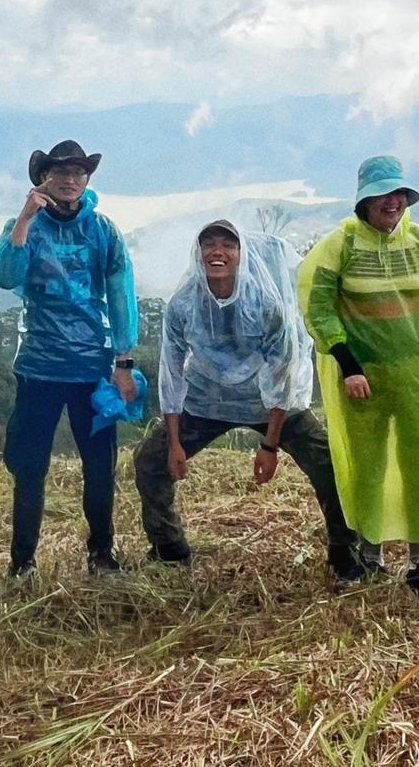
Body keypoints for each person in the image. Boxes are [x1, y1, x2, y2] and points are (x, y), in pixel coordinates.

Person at [133, 219, 359, 582]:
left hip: (265, 400)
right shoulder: (184, 304)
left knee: (327, 463)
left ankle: (345, 553)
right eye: (209, 244)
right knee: (150, 459)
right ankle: (169, 550)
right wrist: (174, 442)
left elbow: (281, 374)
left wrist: (270, 444)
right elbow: (172, 373)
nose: (217, 252)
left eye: (228, 245)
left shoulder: (265, 303)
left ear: (241, 254)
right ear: (199, 252)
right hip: (206, 399)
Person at [300, 156, 419, 603]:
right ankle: (370, 558)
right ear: (364, 200)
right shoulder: (341, 246)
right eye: (383, 195)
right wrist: (348, 365)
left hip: (418, 373)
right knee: (367, 468)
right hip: (363, 378)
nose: (392, 202)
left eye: (399, 194)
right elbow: (320, 309)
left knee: (417, 468)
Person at [0, 139, 140, 578]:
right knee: (30, 466)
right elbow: (4, 276)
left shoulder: (103, 230)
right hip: (39, 364)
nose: (71, 180)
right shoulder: (27, 227)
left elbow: (120, 294)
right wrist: (23, 220)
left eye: (79, 173)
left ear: (87, 179)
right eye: (61, 172)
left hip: (92, 366)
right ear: (43, 179)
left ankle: (101, 553)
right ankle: (22, 562)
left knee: (99, 466)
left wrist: (123, 361)